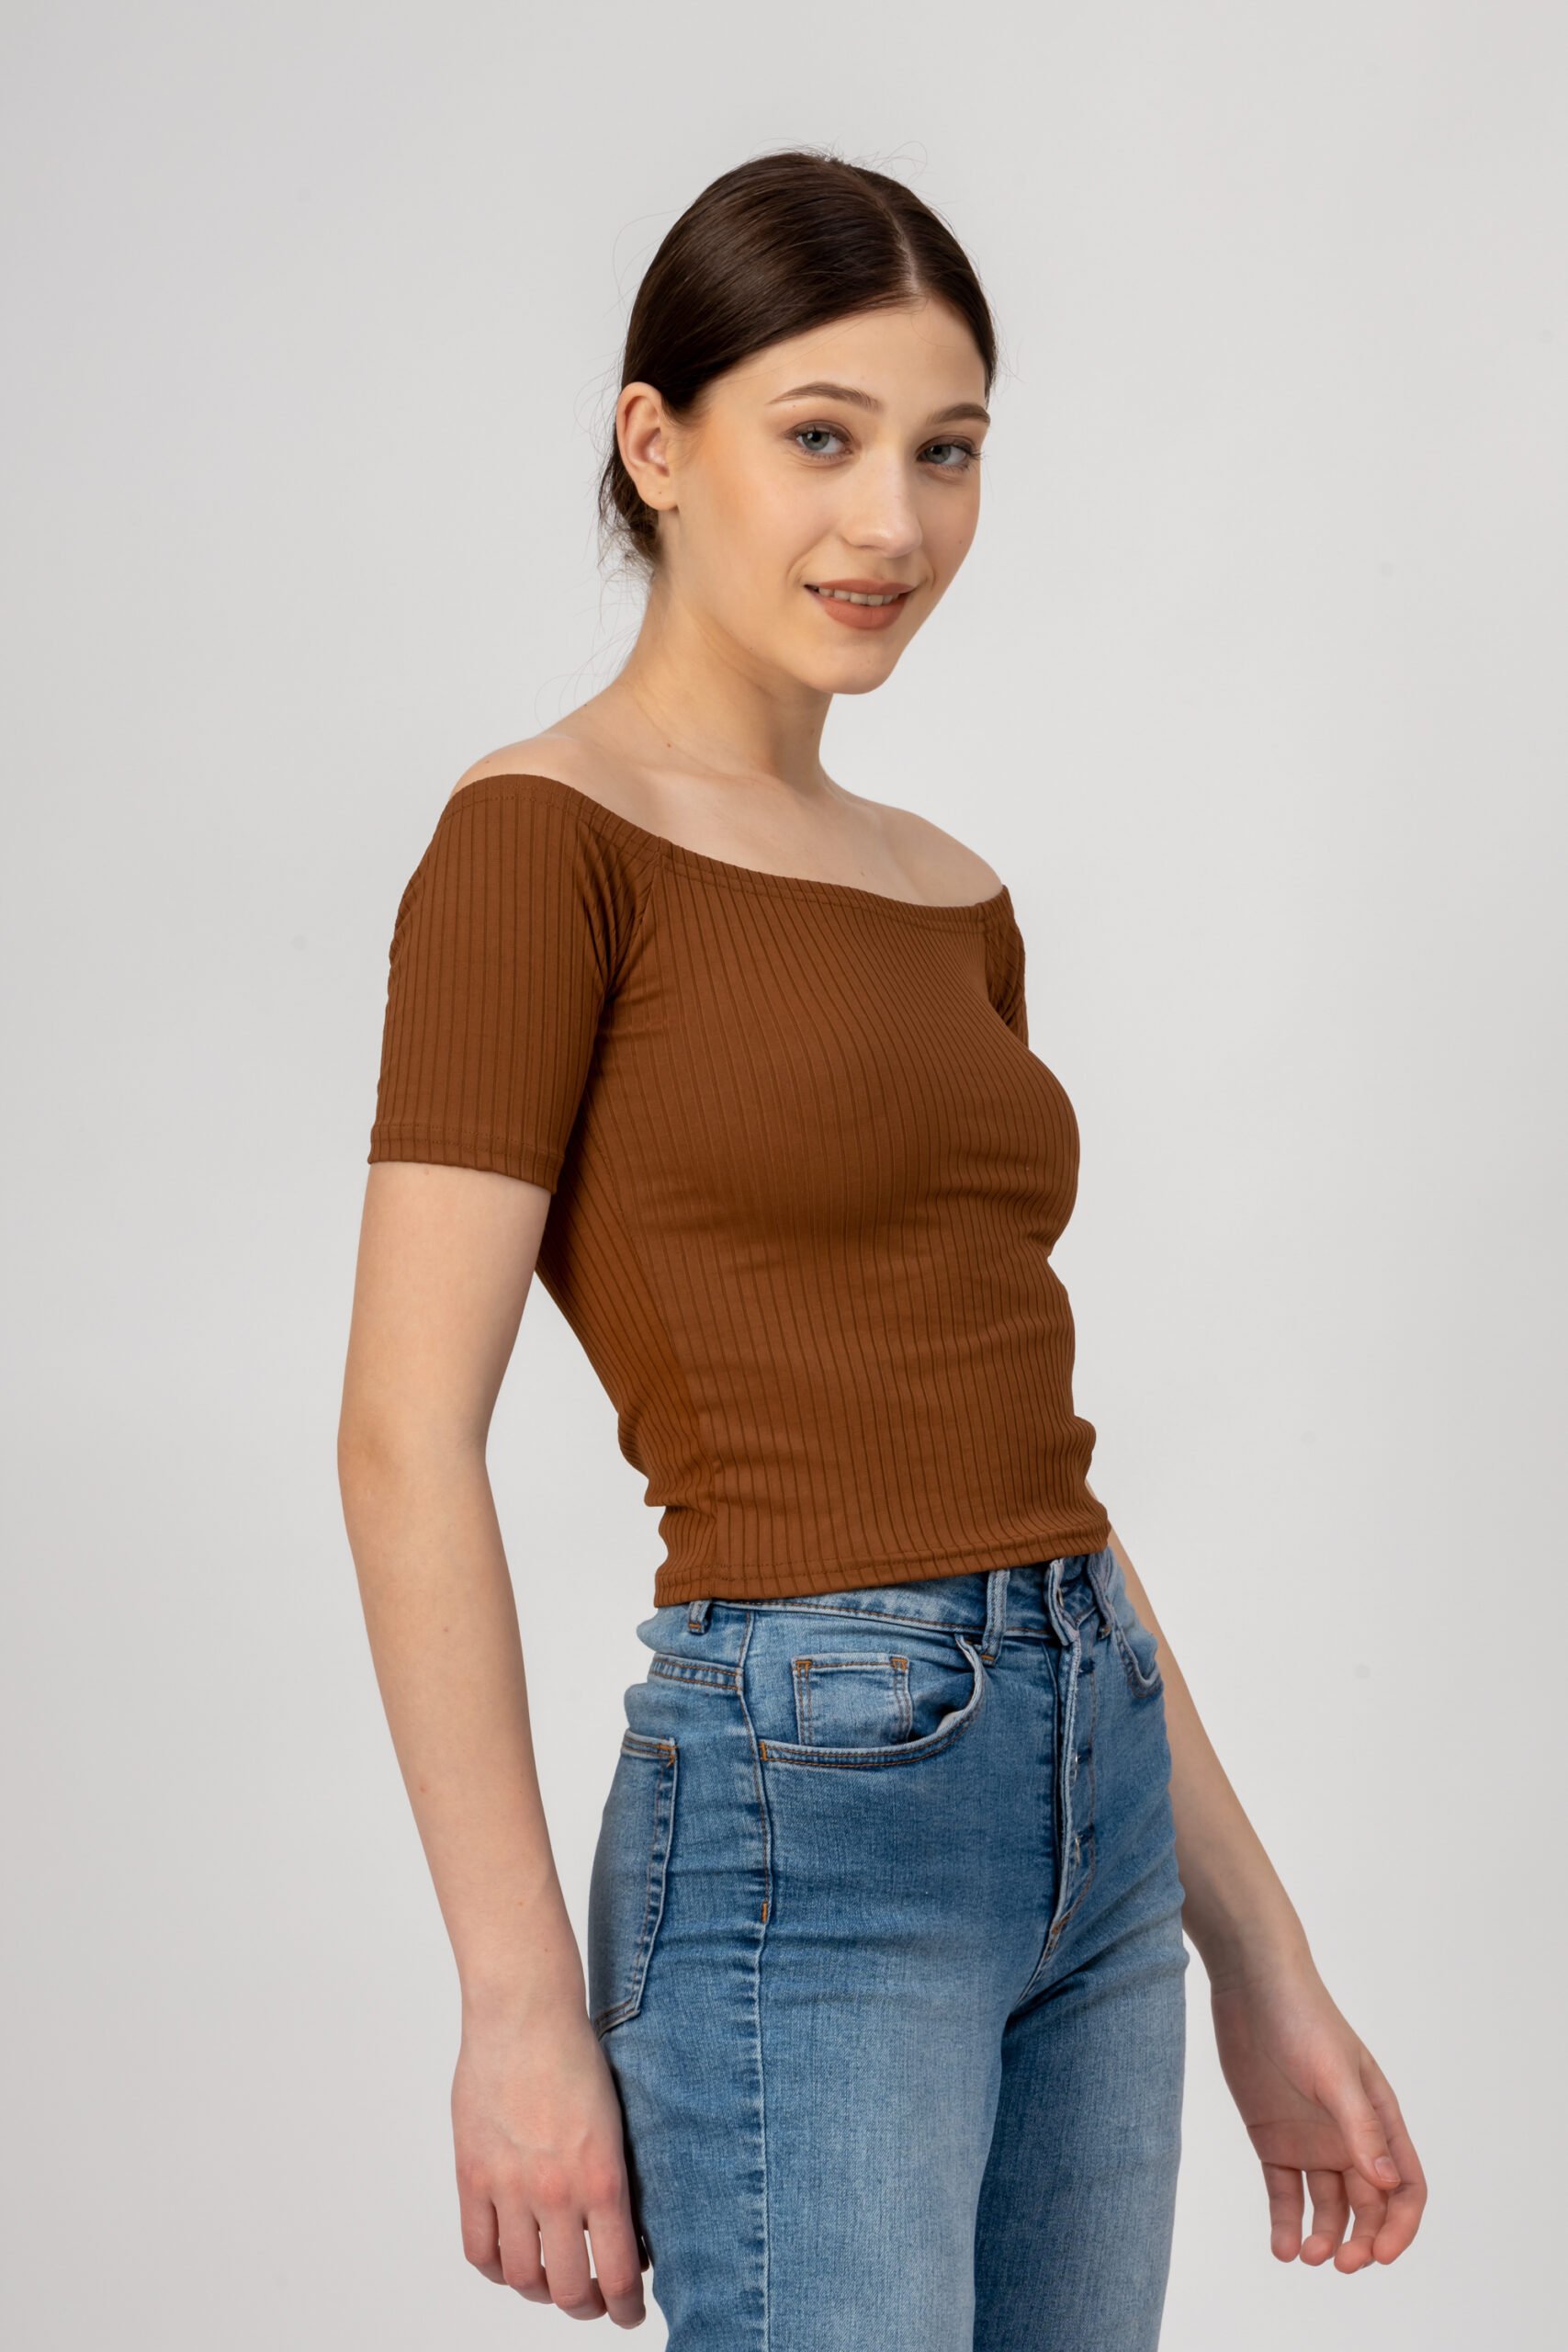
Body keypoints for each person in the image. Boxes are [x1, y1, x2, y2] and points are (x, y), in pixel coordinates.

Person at [336, 151, 1426, 2350]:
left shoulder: (948, 892)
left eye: (945, 451)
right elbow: (398, 1436)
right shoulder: (535, 847)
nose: (891, 522)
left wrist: (1258, 1950)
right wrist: (515, 2002)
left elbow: (1024, 1470)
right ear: (658, 444)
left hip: (1094, 1784)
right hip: (802, 1807)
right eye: (818, 436)